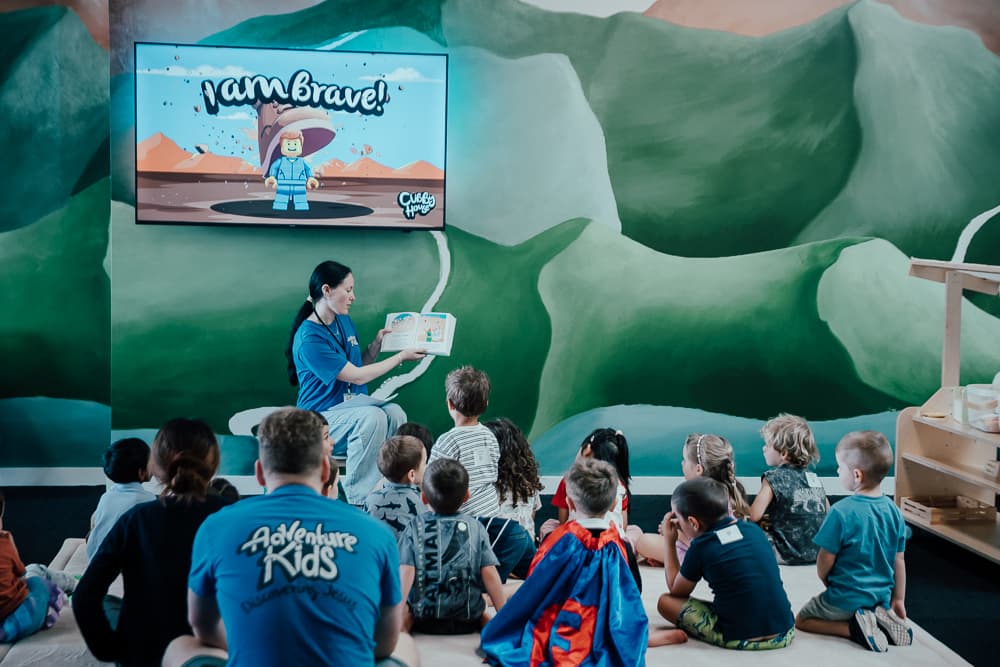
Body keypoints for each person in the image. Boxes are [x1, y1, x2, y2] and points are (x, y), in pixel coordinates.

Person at [163, 407, 418, 667]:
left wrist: (254, 641)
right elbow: (385, 641)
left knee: (180, 646)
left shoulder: (215, 527)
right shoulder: (376, 533)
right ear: (323, 469)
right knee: (405, 643)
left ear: (260, 472)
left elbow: (201, 624)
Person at [74, 418, 231, 667]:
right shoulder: (235, 518)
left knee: (113, 605)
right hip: (220, 654)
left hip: (142, 654)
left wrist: (111, 649)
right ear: (212, 463)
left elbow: (84, 596)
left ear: (156, 463)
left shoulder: (136, 520)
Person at [481, 459, 666, 667]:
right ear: (614, 503)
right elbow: (630, 592)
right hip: (607, 619)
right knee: (625, 631)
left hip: (563, 618)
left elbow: (537, 585)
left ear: (569, 503)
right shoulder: (619, 544)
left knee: (508, 630)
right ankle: (638, 637)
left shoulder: (559, 540)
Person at [287, 260, 426, 504]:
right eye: (348, 290)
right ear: (327, 290)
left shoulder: (343, 319)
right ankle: (361, 500)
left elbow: (355, 366)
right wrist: (401, 357)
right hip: (320, 418)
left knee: (395, 412)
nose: (353, 296)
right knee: (371, 418)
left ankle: (395, 488)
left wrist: (374, 348)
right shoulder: (309, 338)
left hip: (350, 409)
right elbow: (356, 376)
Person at [795, 431, 912, 652]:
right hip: (881, 598)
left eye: (840, 467)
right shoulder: (894, 512)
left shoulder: (841, 512)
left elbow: (825, 558)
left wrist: (825, 579)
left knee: (802, 620)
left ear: (857, 475)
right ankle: (878, 620)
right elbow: (899, 560)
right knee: (874, 604)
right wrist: (898, 600)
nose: (838, 471)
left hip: (846, 598)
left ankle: (854, 629)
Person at [655, 477, 795, 651]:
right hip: (784, 630)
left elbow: (676, 589)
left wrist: (669, 541)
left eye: (677, 517)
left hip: (740, 637)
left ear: (693, 522)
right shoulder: (753, 530)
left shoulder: (701, 546)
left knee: (665, 602)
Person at [398, 458, 506, 634]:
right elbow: (489, 572)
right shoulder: (475, 526)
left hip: (425, 618)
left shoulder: (414, 526)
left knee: (406, 612)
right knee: (484, 611)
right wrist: (504, 614)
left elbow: (406, 571)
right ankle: (495, 629)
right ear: (467, 496)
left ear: (423, 497)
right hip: (467, 617)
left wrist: (395, 613)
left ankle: (401, 634)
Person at [636, 432, 750, 565]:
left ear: (698, 469)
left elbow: (703, 543)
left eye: (685, 460)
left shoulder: (695, 497)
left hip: (706, 557)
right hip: (723, 551)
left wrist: (674, 537)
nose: (682, 463)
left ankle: (674, 562)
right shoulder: (729, 491)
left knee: (643, 542)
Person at [748, 414, 829, 564]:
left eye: (767, 444)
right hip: (816, 553)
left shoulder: (772, 478)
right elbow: (827, 512)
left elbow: (754, 515)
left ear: (784, 453)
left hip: (784, 553)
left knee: (751, 529)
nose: (763, 448)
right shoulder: (814, 478)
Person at [426, 366, 500, 517]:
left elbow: (431, 480)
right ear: (486, 404)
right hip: (492, 512)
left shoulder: (448, 441)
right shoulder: (490, 436)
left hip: (463, 518)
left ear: (450, 404)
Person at [540, 428, 635, 543]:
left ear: (587, 451)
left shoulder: (568, 481)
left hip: (575, 540)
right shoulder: (620, 486)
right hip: (611, 541)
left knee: (548, 526)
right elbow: (623, 526)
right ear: (613, 504)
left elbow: (562, 522)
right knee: (635, 531)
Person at [0, 491, 69, 644]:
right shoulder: (4, 541)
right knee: (37, 581)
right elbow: (21, 572)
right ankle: (69, 586)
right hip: (16, 615)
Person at [87, 437, 156, 560]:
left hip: (94, 556)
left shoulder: (106, 496)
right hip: (120, 566)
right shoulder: (148, 500)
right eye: (151, 461)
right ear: (141, 473)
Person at [485, 417, 543, 540]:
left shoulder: (487, 487)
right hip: (528, 549)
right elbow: (531, 517)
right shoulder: (528, 482)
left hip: (499, 552)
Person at [364, 435, 427, 537]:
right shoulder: (419, 502)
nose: (426, 467)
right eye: (424, 463)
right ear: (412, 475)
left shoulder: (371, 498)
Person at [264, 130, 319, 211]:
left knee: (301, 202)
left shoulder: (302, 162)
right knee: (280, 202)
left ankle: (302, 214)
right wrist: (272, 176)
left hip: (299, 185)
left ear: (301, 146)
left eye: (295, 144)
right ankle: (278, 214)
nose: (292, 146)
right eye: (288, 144)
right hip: (283, 184)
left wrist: (310, 178)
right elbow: (274, 168)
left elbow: (308, 169)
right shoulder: (280, 161)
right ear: (282, 147)